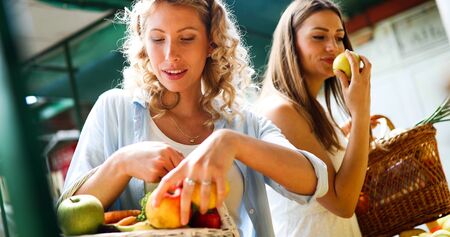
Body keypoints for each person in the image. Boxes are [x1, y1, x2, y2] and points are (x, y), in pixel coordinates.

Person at [60, 0, 328, 236]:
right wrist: (121, 164)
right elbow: (68, 219)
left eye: (186, 38)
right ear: (143, 41)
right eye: (157, 39)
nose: (170, 55)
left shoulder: (244, 123)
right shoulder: (114, 109)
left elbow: (315, 181)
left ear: (211, 43)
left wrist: (232, 143)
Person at [258, 0, 372, 236]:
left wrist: (345, 137)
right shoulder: (281, 111)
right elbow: (342, 203)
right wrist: (361, 113)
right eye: (319, 37)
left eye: (339, 37)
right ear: (291, 44)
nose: (333, 47)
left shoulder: (313, 108)